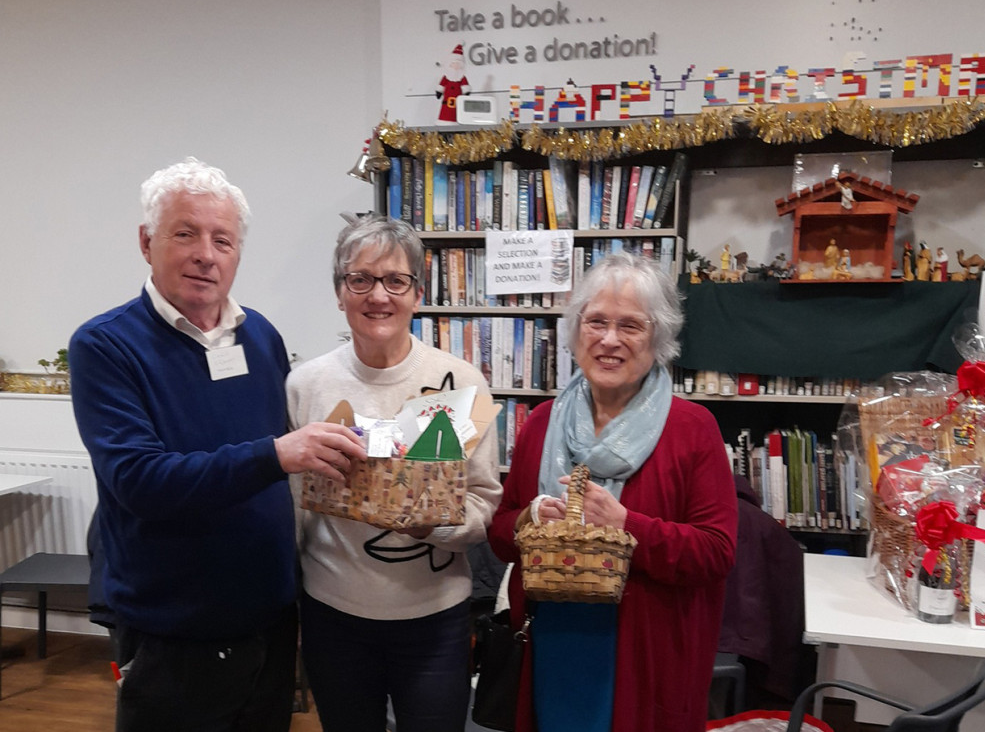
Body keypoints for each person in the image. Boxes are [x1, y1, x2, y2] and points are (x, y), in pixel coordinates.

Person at [68, 157, 366, 732]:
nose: (206, 254)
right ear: (146, 242)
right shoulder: (105, 347)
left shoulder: (260, 336)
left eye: (222, 240)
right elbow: (139, 481)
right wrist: (275, 455)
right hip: (173, 633)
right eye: (186, 233)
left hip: (268, 620)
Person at [488, 253, 738, 732]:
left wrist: (625, 525)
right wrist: (527, 520)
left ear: (658, 338)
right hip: (550, 643)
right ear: (576, 329)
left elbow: (716, 552)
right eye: (597, 321)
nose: (609, 340)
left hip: (645, 655)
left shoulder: (692, 429)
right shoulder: (540, 423)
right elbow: (500, 535)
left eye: (631, 326)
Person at [286, 215, 502, 732]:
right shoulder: (305, 385)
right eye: (360, 279)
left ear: (418, 294)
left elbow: (483, 503)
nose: (378, 295)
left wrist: (433, 524)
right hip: (332, 614)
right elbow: (291, 510)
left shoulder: (461, 382)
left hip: (434, 620)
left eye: (396, 281)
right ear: (340, 293)